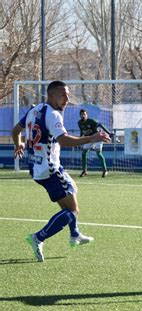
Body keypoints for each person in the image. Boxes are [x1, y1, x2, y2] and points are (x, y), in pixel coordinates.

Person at [11, 81, 111, 262]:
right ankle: (38, 237)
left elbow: (16, 130)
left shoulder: (35, 110)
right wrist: (93, 137)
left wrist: (18, 143)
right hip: (50, 170)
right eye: (63, 95)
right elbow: (64, 140)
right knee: (72, 211)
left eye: (68, 95)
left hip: (37, 167)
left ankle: (75, 234)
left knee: (72, 188)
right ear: (52, 95)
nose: (67, 99)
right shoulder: (53, 115)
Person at [78, 109, 113, 177]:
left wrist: (109, 133)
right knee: (84, 154)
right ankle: (84, 171)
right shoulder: (79, 123)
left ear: (87, 115)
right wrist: (80, 139)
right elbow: (82, 131)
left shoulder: (91, 121)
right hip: (88, 139)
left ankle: (105, 171)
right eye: (81, 114)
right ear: (80, 115)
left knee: (98, 153)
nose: (83, 116)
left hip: (97, 138)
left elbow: (100, 125)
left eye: (84, 114)